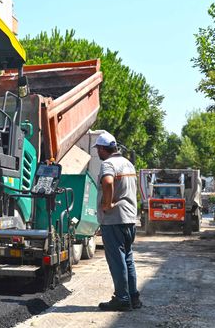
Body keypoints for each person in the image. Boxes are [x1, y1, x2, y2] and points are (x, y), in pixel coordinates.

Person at [93, 131, 142, 311]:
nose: (97, 152)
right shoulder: (128, 163)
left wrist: (107, 203)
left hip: (114, 220)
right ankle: (133, 297)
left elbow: (107, 182)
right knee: (127, 258)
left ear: (103, 149)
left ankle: (121, 298)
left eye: (98, 149)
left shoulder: (108, 164)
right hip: (129, 219)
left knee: (117, 260)